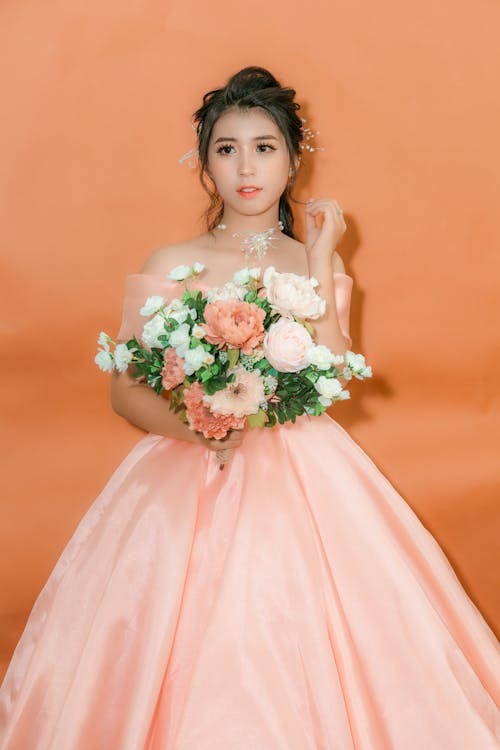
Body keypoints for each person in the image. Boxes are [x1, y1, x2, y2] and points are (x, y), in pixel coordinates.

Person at [0, 65, 498, 750]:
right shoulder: (173, 261)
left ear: (294, 160)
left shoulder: (308, 262)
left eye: (264, 147)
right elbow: (124, 388)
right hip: (182, 475)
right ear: (205, 164)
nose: (246, 166)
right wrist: (202, 430)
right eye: (226, 148)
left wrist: (323, 258)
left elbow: (330, 379)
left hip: (302, 476)